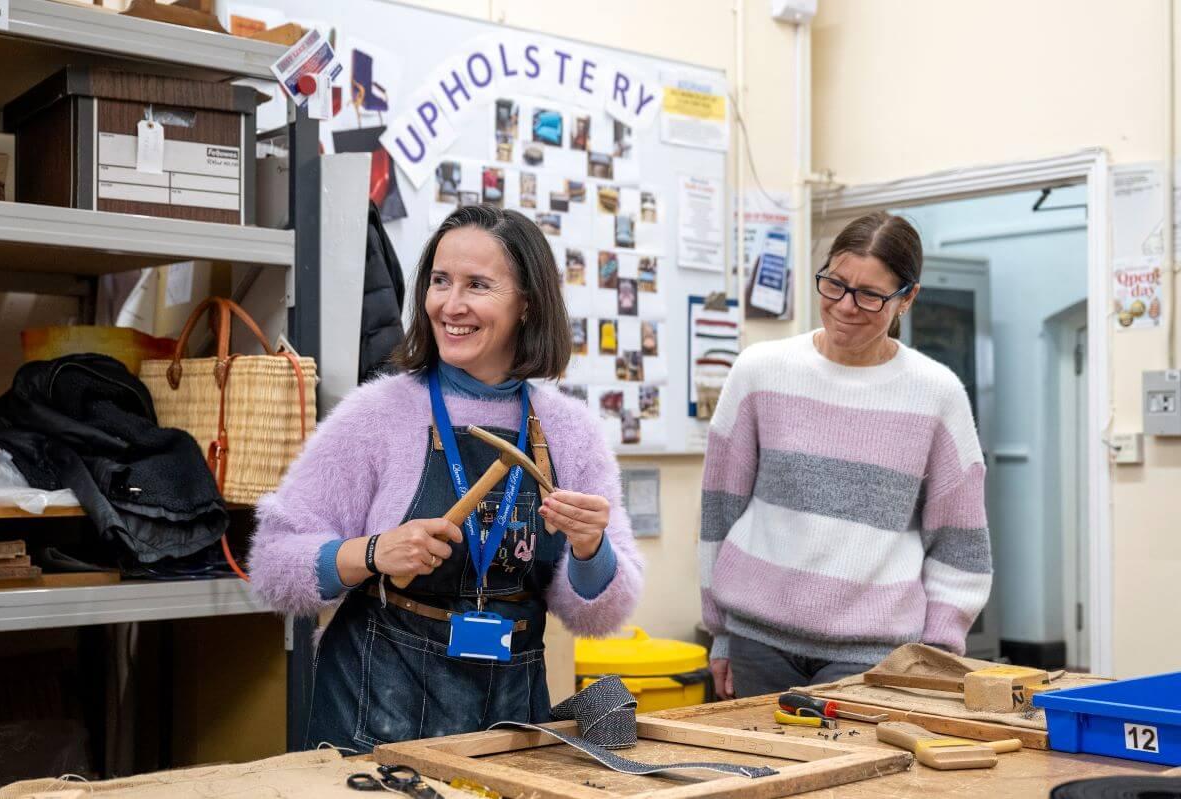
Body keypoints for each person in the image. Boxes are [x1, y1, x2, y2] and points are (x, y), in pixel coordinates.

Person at [249, 205, 644, 749]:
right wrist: (369, 553)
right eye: (440, 281)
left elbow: (601, 615)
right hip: (375, 710)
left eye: (477, 285)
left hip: (511, 715)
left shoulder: (570, 432)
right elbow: (272, 563)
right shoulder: (376, 414)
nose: (450, 306)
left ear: (527, 304)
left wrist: (589, 548)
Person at [699, 211, 992, 699]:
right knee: (761, 773)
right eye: (834, 284)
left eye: (870, 295)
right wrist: (720, 633)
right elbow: (719, 512)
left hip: (875, 656)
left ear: (908, 298)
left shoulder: (936, 394)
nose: (845, 305)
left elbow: (960, 540)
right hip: (757, 642)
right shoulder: (759, 372)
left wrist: (937, 656)